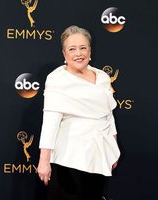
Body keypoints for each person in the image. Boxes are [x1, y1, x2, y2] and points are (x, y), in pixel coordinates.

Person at [37, 25, 120, 200]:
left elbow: (108, 116)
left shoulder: (103, 77)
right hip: (69, 158)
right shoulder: (57, 79)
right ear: (64, 54)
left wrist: (113, 149)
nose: (78, 53)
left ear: (90, 51)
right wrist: (44, 160)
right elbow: (50, 121)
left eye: (83, 48)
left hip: (97, 157)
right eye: (72, 49)